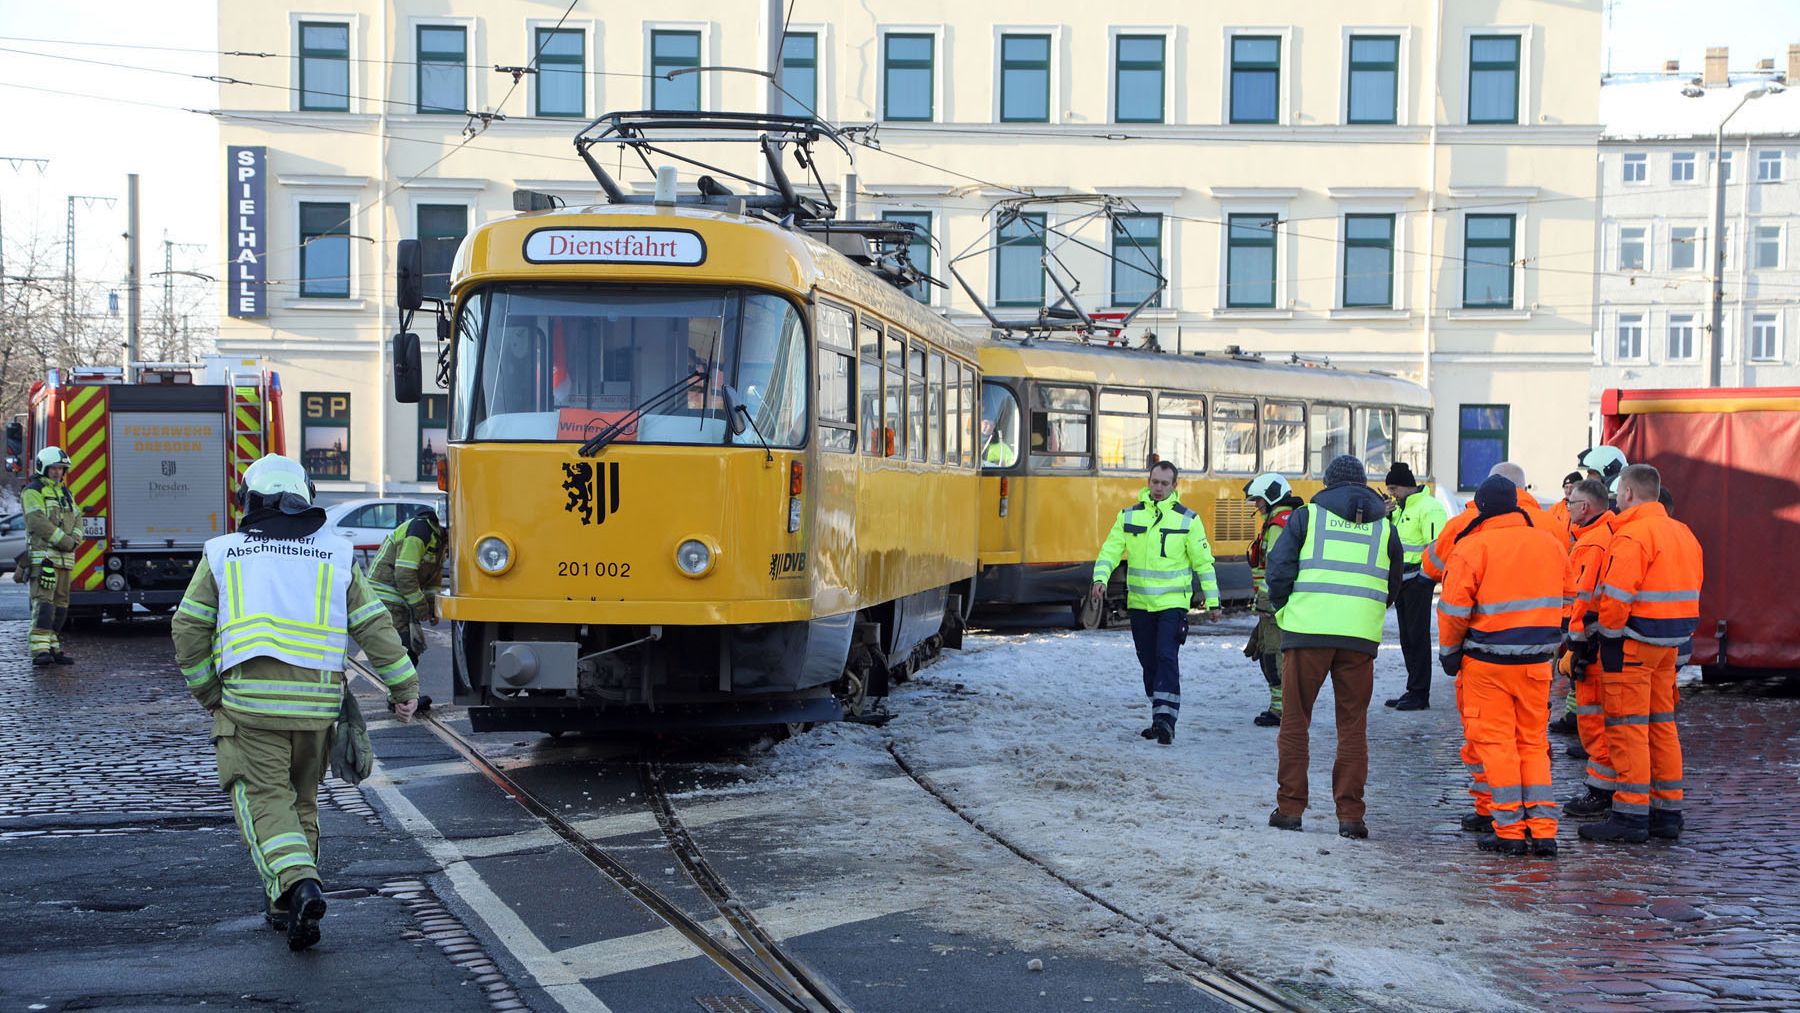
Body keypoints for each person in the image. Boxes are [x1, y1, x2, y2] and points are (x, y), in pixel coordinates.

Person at [171, 455, 420, 951]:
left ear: (249, 501)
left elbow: (188, 627)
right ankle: (286, 903)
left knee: (263, 800)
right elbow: (374, 627)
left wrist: (208, 693)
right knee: (302, 802)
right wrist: (404, 688)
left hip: (251, 709)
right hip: (318, 711)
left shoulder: (225, 554)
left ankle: (298, 882)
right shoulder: (334, 556)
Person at [1266, 454, 1403, 839]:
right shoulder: (1385, 527)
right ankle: (1351, 816)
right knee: (1353, 727)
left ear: (1328, 484)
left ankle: (1290, 809)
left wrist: (1287, 611)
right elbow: (1393, 584)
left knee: (1295, 721)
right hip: (1359, 639)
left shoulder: (1307, 517)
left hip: (1307, 633)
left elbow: (1278, 571)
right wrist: (1363, 612)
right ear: (1362, 484)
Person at [1437, 475, 1567, 857]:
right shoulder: (1550, 544)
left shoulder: (1472, 547)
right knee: (1532, 742)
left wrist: (1449, 652)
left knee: (1496, 745)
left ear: (1480, 507)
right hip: (1537, 663)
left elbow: (1454, 611)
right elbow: (1571, 596)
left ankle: (1509, 828)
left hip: (1487, 663)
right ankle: (1543, 830)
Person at [1580, 464, 1703, 844]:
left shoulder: (1633, 535)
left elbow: (1616, 597)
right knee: (1661, 726)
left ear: (1630, 493)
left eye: (1618, 493)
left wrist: (1607, 637)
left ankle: (1630, 815)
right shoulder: (1682, 533)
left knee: (1627, 728)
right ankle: (1667, 812)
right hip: (1670, 645)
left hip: (1632, 644)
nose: (1616, 499)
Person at [1091, 461, 1221, 745]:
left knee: (1165, 656)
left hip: (1173, 604)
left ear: (1175, 486)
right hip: (1140, 604)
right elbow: (1110, 551)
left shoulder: (1188, 520)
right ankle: (1159, 712)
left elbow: (1203, 563)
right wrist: (1099, 578)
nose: (1158, 488)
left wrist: (1213, 601)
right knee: (1148, 661)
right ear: (1148, 483)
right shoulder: (1128, 517)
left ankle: (1165, 721)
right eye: (1154, 482)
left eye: (1164, 483)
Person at [1559, 479, 1620, 817]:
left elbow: (1583, 602)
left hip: (1591, 646)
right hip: (1603, 642)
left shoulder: (1591, 544)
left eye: (1571, 503)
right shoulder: (1605, 534)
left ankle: (1601, 793)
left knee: (1595, 723)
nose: (1566, 508)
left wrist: (1577, 646)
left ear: (1585, 508)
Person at [1421, 461, 1556, 584]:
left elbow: (1432, 567)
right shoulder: (1553, 525)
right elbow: (1567, 580)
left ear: (1487, 486)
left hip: (1482, 607)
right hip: (1543, 610)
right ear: (1524, 489)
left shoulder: (1464, 523)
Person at [1382, 462, 1448, 711]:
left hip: (1419, 582)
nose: (1391, 494)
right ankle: (1413, 689)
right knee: (1407, 638)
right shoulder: (1401, 507)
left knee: (1417, 638)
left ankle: (1420, 693)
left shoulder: (1429, 508)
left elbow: (1438, 547)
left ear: (1407, 486)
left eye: (1393, 488)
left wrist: (1425, 578)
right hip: (1403, 582)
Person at [1243, 472, 1302, 727]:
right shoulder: (1284, 521)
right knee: (1270, 652)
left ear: (1271, 497)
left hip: (1275, 605)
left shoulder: (1279, 526)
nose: (1256, 506)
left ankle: (1281, 711)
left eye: (1258, 501)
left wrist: (1267, 602)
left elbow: (1276, 568)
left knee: (1273, 654)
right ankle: (1280, 707)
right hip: (1276, 603)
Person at [23, 446, 80, 666]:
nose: (58, 472)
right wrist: (66, 542)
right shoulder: (33, 491)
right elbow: (38, 522)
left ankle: (53, 646)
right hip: (44, 559)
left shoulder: (65, 493)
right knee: (44, 605)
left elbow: (77, 519)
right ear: (43, 468)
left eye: (61, 468)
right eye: (54, 468)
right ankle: (39, 650)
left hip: (65, 561)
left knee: (61, 606)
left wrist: (75, 538)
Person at [368, 509, 446, 665]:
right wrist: (421, 607)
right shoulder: (420, 532)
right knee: (403, 654)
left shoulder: (440, 538)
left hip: (400, 598)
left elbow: (433, 578)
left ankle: (402, 688)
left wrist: (432, 607)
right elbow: (404, 575)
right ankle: (402, 689)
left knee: (406, 653)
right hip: (387, 598)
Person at [1546, 471, 1583, 547]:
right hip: (1557, 552)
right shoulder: (1554, 509)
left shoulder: (1585, 508)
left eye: (1572, 487)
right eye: (1566, 487)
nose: (1569, 491)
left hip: (1577, 552)